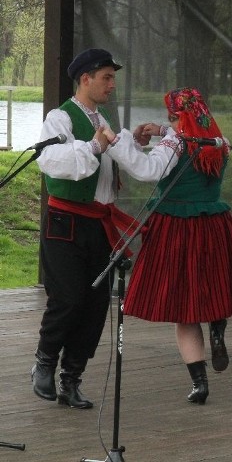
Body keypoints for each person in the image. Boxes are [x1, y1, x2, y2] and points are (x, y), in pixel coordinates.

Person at [104, 87, 232, 404]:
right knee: (214, 289)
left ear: (175, 115)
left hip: (175, 226)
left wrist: (116, 139)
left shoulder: (176, 141)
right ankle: (218, 326)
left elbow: (148, 170)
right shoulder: (220, 143)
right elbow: (189, 133)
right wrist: (161, 130)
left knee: (184, 307)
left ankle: (199, 383)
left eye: (169, 117)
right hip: (213, 223)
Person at [31, 48, 135, 409]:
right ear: (85, 79)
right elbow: (50, 160)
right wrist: (94, 145)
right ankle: (44, 363)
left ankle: (71, 378)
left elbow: (111, 163)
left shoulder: (103, 118)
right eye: (106, 76)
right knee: (69, 297)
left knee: (94, 305)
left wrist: (133, 140)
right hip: (66, 221)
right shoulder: (60, 117)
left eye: (113, 77)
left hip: (98, 223)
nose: (112, 84)